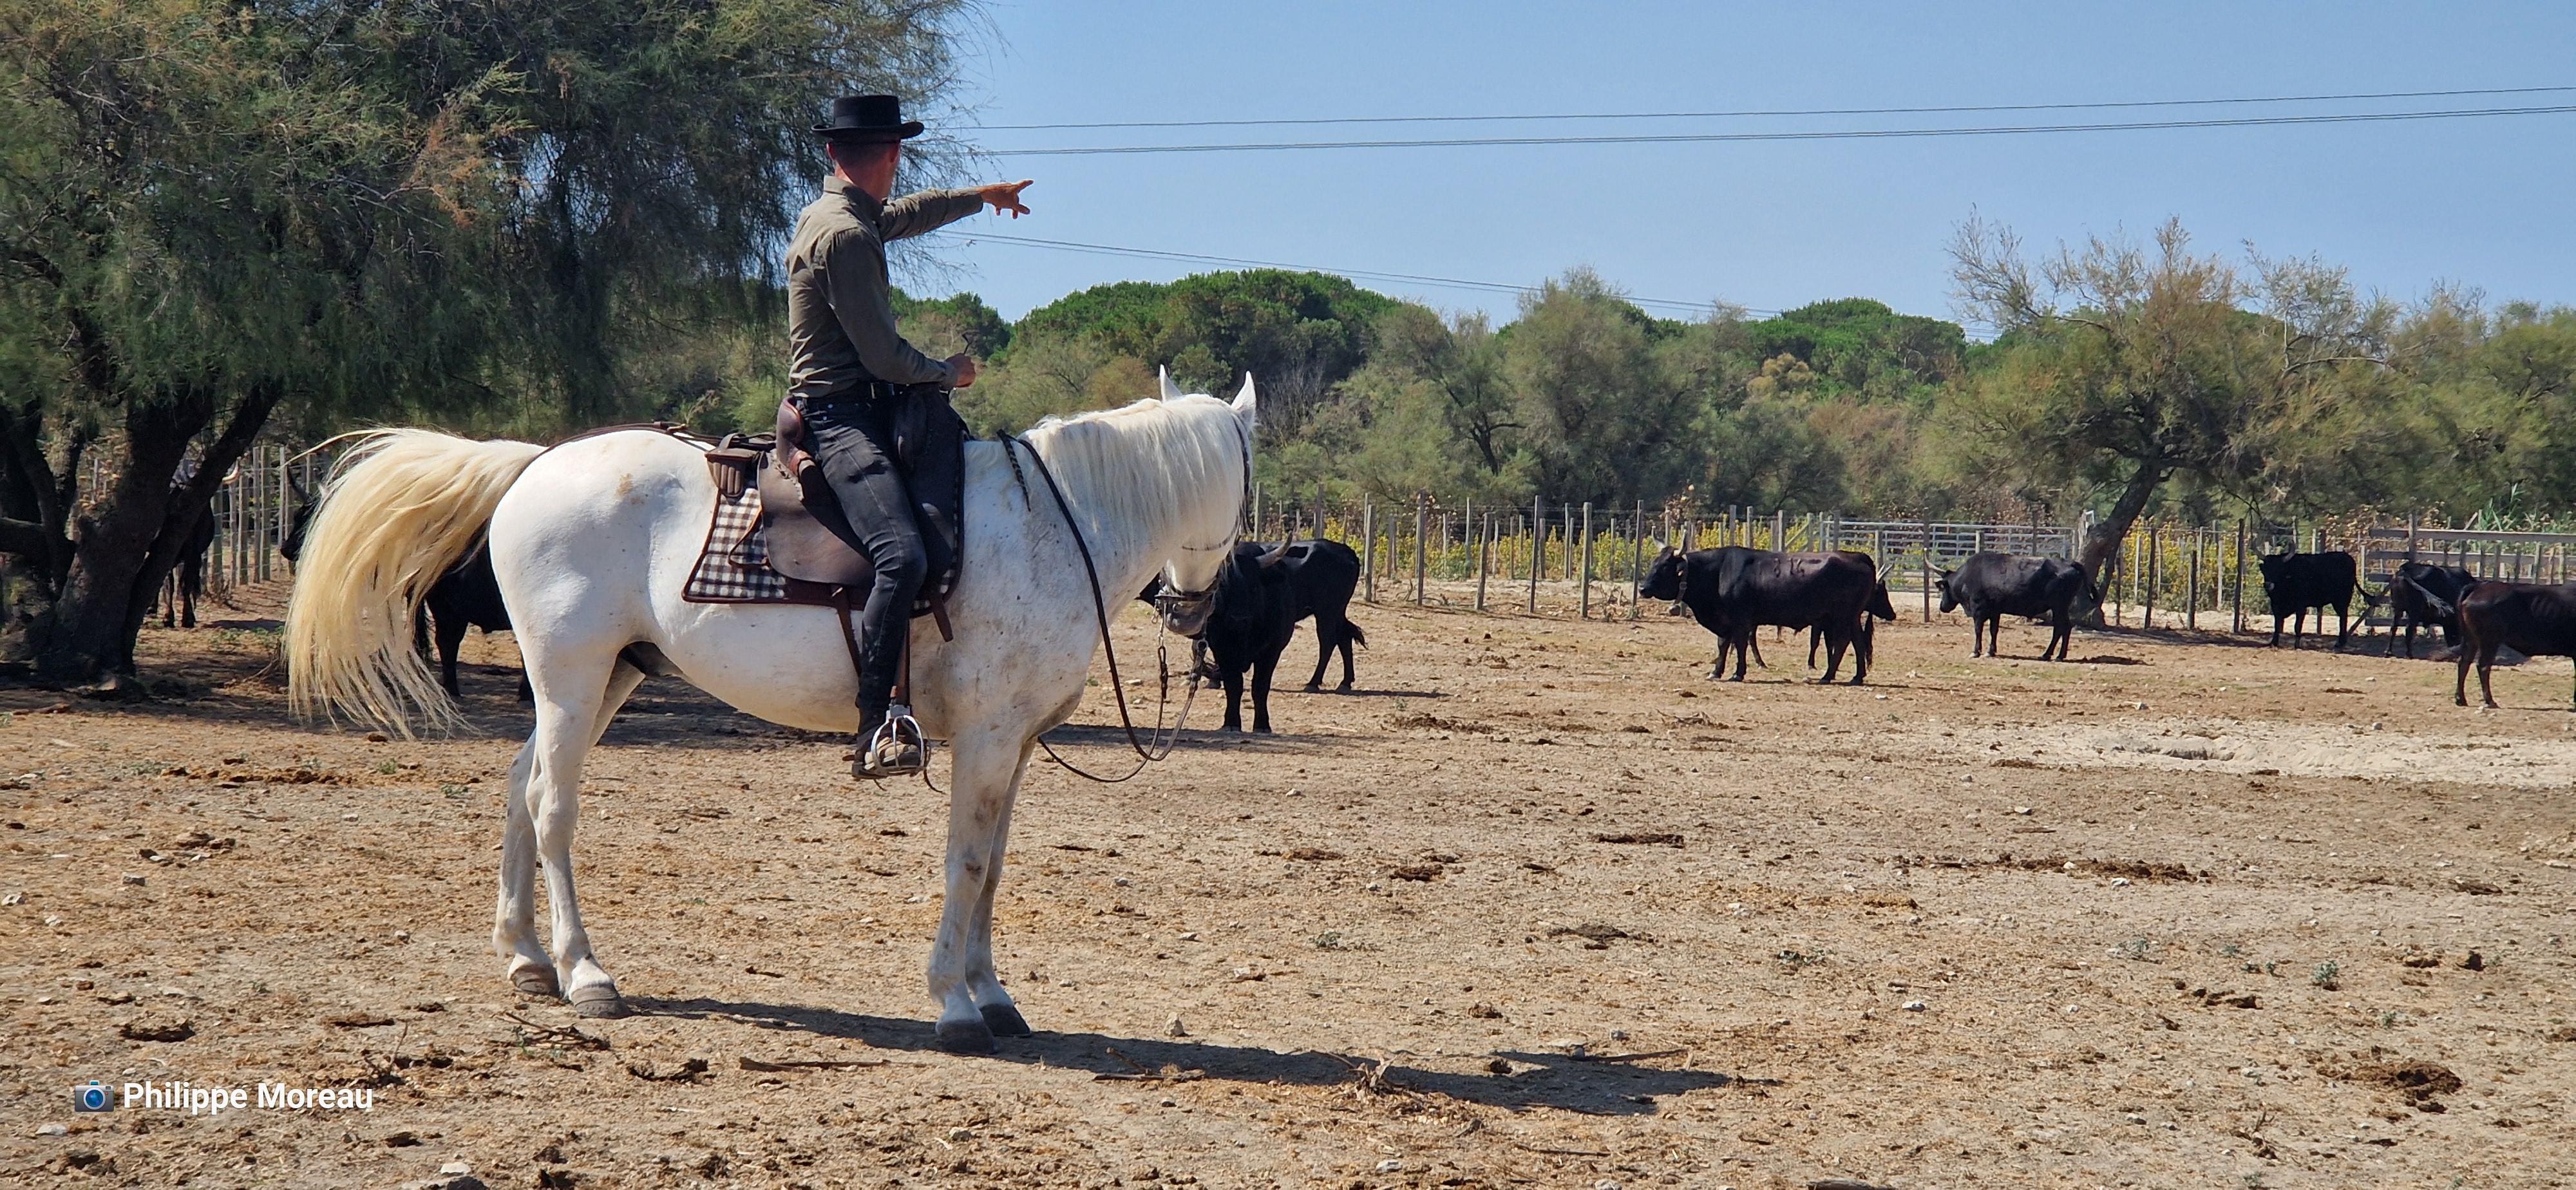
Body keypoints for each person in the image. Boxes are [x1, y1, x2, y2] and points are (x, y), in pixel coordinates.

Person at [787, 94, 1032, 777]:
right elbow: (884, 358)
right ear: (894, 154)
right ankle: (876, 720)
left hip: (856, 408)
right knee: (901, 556)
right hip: (840, 418)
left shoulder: (838, 215)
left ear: (832, 152)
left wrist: (980, 198)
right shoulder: (845, 236)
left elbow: (904, 215)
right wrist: (950, 373)